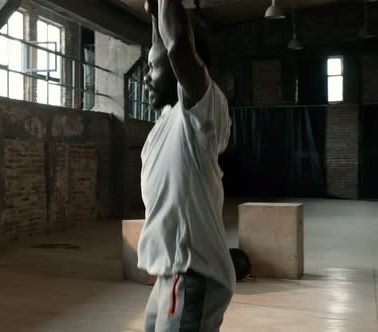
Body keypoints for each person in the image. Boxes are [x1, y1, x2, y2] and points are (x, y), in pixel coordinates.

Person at [137, 1, 235, 331]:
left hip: (193, 269)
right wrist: (154, 13)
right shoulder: (167, 121)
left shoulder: (201, 114)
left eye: (152, 68)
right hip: (171, 270)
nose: (145, 76)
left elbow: (177, 47)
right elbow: (164, 47)